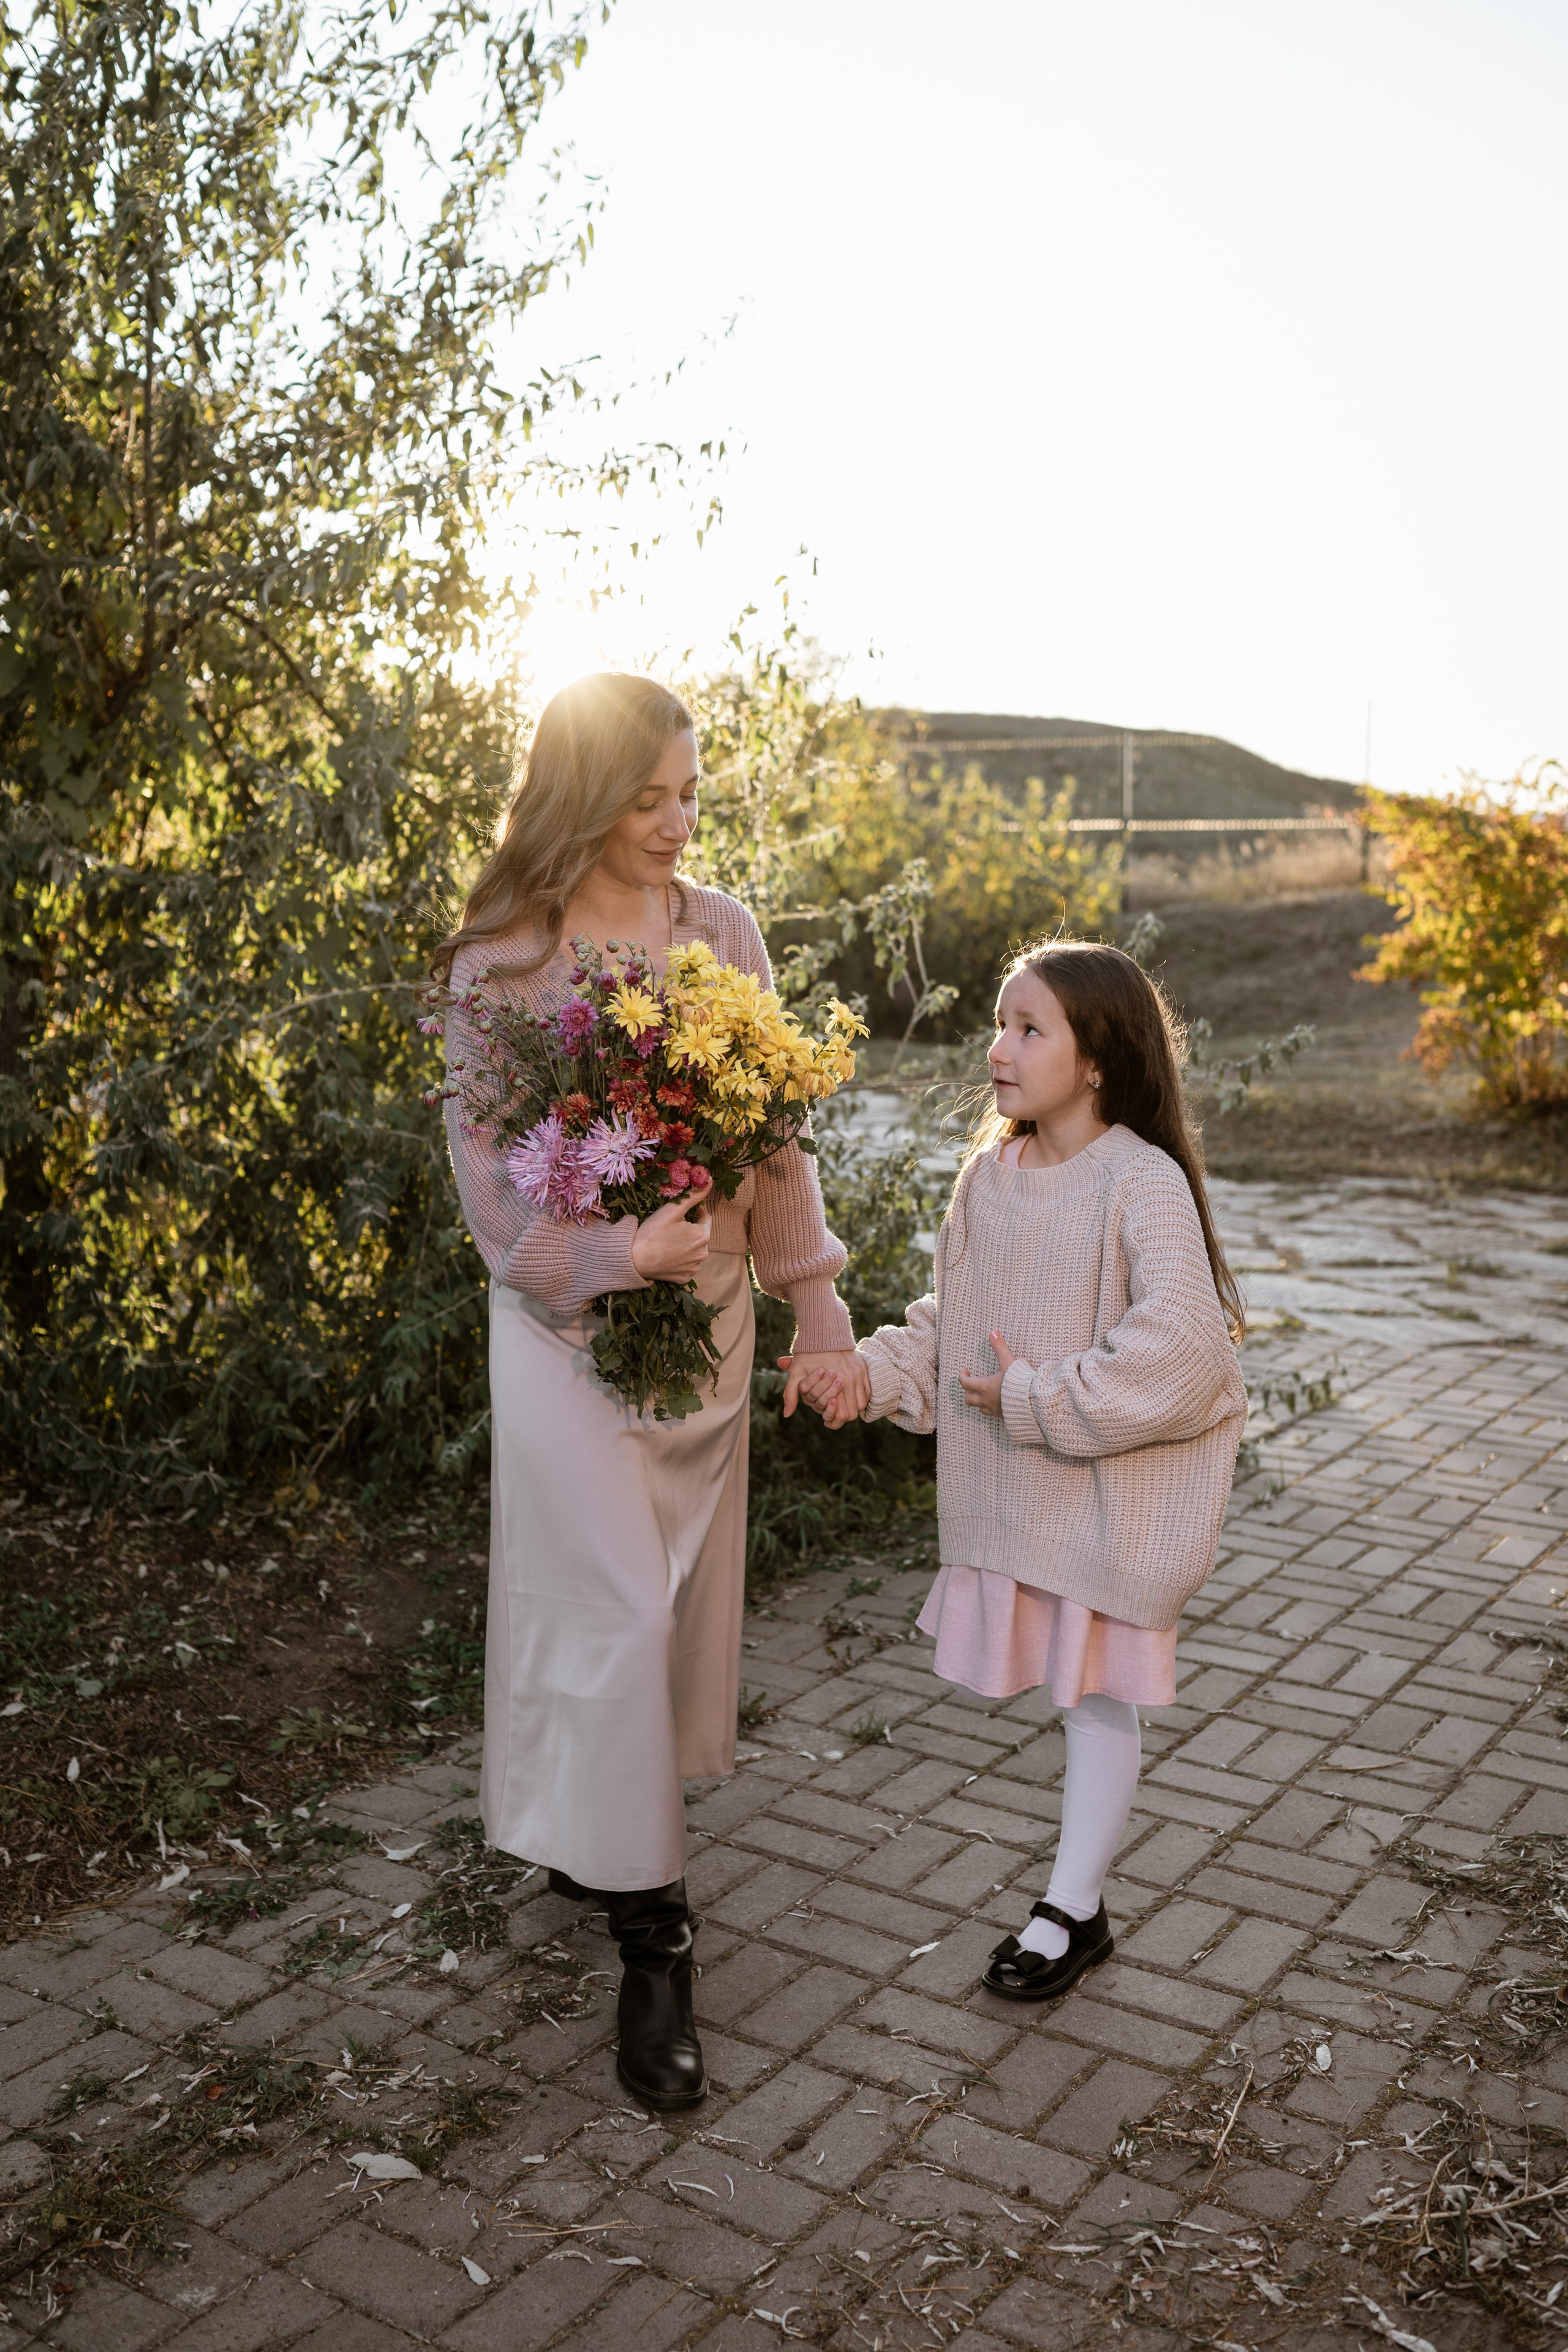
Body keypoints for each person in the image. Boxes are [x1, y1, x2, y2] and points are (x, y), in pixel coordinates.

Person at [431, 673, 859, 2106]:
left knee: (666, 1604)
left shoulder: (720, 934)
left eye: (692, 793)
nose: (680, 821)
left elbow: (774, 1138)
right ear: (581, 792)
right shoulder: (499, 962)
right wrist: (619, 1246)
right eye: (651, 794)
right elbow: (496, 1200)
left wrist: (815, 1301)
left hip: (709, 1322)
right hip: (558, 1322)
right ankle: (654, 1939)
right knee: (605, 1596)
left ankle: (594, 1829)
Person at [792, 940, 1246, 2000]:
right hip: (1022, 1505)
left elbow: (1186, 1351)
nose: (998, 1048)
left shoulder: (1141, 1183)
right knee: (1078, 1695)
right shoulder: (988, 1183)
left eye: (1028, 1028)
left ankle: (1072, 1908)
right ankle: (1076, 1909)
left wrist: (1041, 1397)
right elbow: (958, 1331)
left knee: (1095, 1699)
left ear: (1096, 1060)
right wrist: (868, 1373)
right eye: (999, 1023)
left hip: (1102, 1512)